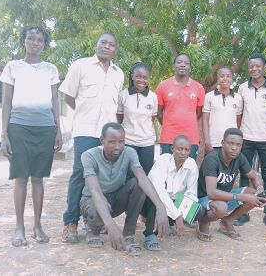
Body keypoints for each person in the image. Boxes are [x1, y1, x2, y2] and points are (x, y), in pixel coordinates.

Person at [0, 26, 62, 246]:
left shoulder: (51, 69)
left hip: (45, 129)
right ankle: (19, 227)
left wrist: (58, 130)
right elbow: (7, 102)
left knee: (38, 178)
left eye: (40, 40)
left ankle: (37, 225)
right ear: (23, 41)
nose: (35, 43)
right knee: (21, 178)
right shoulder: (12, 67)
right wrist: (4, 133)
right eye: (31, 39)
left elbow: (55, 101)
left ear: (44, 44)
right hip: (18, 128)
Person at [59, 33, 124, 243]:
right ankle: (70, 223)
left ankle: (94, 220)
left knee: (103, 176)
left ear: (115, 49)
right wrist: (82, 113)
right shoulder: (81, 66)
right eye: (103, 43)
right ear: (96, 45)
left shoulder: (118, 73)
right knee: (80, 175)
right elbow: (68, 95)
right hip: (85, 130)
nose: (107, 46)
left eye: (111, 44)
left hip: (107, 136)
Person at [79, 122, 169, 255]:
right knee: (98, 207)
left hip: (115, 199)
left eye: (121, 142)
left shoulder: (129, 152)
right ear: (102, 140)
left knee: (138, 184)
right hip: (92, 201)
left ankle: (128, 235)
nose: (117, 147)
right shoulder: (89, 156)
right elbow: (95, 191)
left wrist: (161, 207)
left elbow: (143, 178)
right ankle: (92, 229)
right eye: (112, 142)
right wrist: (110, 226)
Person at [197, 128, 266, 242]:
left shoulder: (239, 158)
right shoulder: (212, 159)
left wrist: (260, 188)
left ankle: (227, 221)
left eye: (238, 145)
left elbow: (254, 176)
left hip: (225, 197)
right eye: (230, 143)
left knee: (254, 194)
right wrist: (241, 197)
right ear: (222, 143)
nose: (234, 148)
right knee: (221, 207)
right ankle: (203, 222)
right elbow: (211, 192)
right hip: (204, 199)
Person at [235, 53, 266, 228]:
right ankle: (243, 212)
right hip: (247, 138)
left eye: (258, 66)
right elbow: (240, 112)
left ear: (264, 67)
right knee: (245, 174)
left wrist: (264, 126)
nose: (254, 69)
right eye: (251, 66)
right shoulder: (242, 88)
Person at [143, 135, 202, 251]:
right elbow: (159, 190)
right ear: (172, 149)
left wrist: (185, 213)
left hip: (173, 201)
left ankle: (168, 224)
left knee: (198, 210)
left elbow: (191, 193)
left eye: (186, 150)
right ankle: (150, 235)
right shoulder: (164, 160)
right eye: (180, 149)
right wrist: (178, 216)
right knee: (157, 202)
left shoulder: (191, 165)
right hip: (152, 200)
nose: (183, 152)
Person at [156, 53, 205, 160]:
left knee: (188, 171)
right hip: (168, 138)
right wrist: (169, 124)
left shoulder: (199, 88)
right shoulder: (163, 86)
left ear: (190, 68)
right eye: (179, 62)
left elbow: (198, 112)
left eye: (186, 63)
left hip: (191, 139)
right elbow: (158, 112)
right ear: (173, 66)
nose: (182, 65)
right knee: (166, 170)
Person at [116, 62, 158, 175]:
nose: (141, 80)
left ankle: (143, 194)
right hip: (128, 142)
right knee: (128, 175)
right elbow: (119, 117)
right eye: (138, 76)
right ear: (132, 76)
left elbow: (153, 118)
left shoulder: (153, 97)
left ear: (148, 79)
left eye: (145, 77)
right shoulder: (123, 95)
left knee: (146, 174)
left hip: (147, 143)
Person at [202, 66, 243, 154]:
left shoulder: (238, 98)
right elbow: (205, 120)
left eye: (228, 76)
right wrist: (207, 142)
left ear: (232, 78)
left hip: (231, 144)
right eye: (222, 76)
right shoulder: (209, 96)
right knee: (212, 166)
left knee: (229, 167)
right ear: (217, 78)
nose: (225, 79)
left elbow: (238, 121)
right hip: (213, 142)